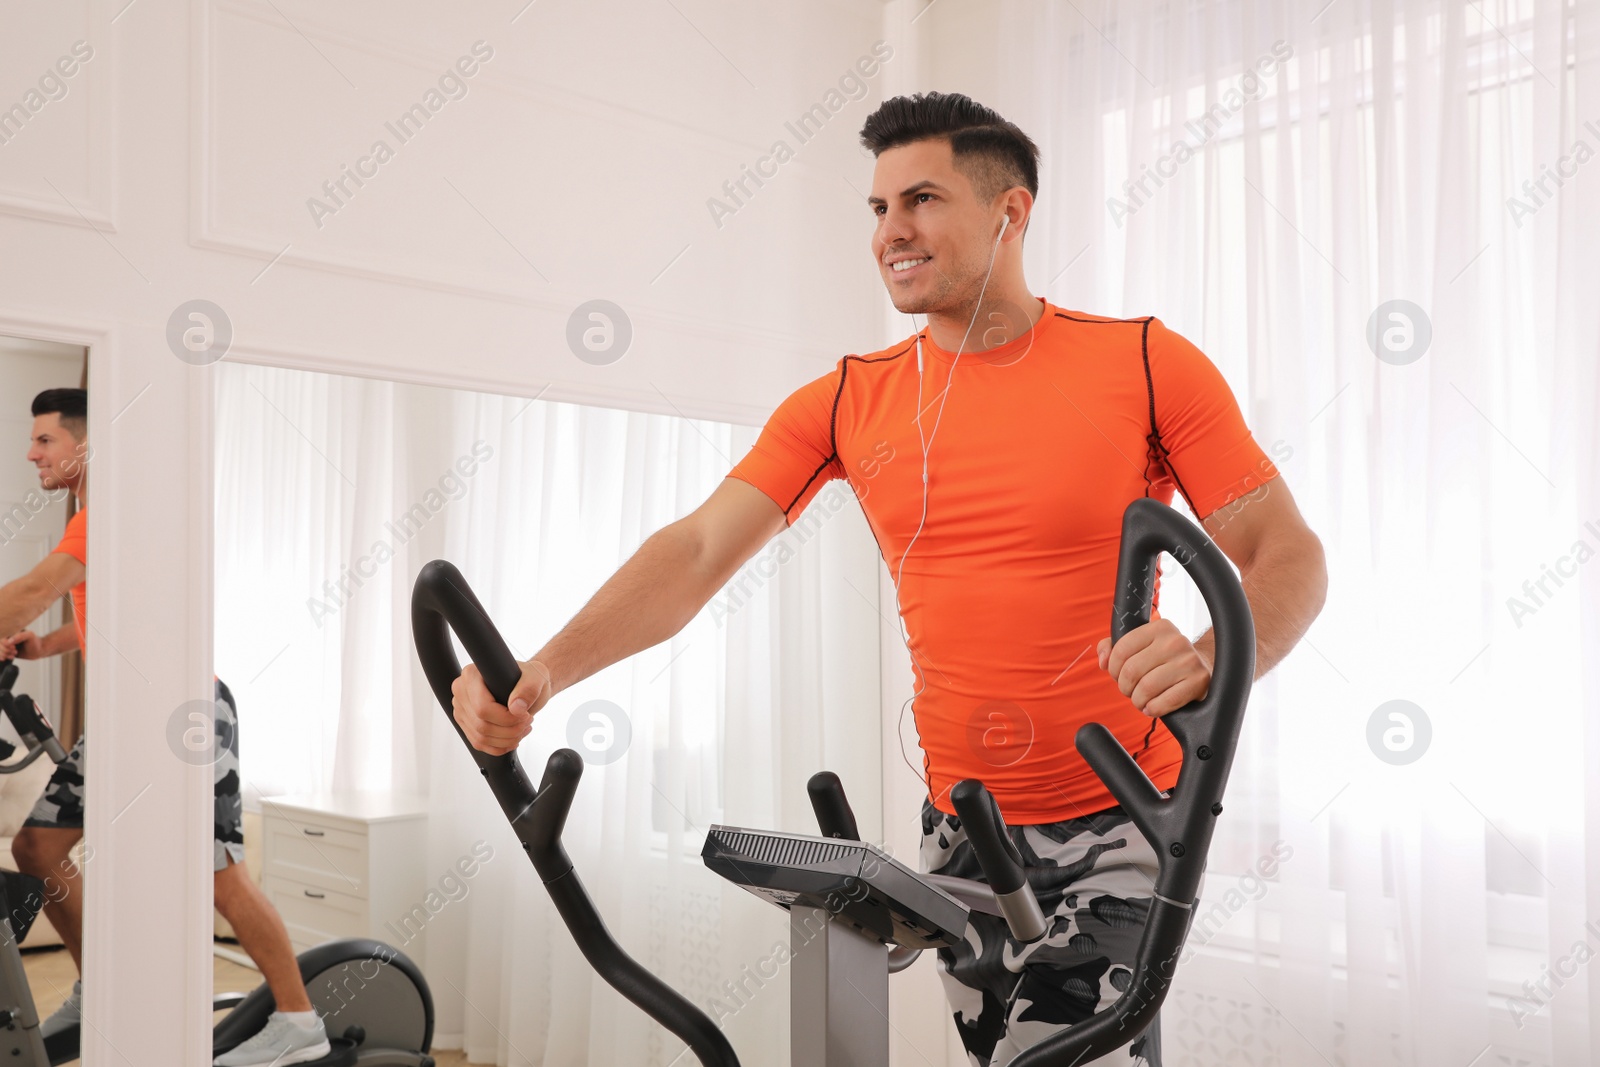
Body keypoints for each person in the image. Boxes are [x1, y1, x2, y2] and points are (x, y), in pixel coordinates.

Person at [451, 92, 1328, 1066]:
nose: (890, 230)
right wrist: (541, 671)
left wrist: (1210, 657)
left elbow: (1286, 552)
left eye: (919, 198)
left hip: (1123, 816)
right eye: (875, 208)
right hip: (960, 830)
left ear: (1011, 211)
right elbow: (697, 550)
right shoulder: (845, 399)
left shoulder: (1145, 364)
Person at [0, 389, 331, 1066]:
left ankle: (300, 1025)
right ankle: (103, 991)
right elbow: (104, 606)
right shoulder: (100, 519)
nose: (32, 452)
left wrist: (22, 619)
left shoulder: (105, 514)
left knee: (219, 877)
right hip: (124, 720)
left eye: (45, 440)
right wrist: (47, 645)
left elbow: (35, 588)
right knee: (37, 847)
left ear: (85, 445)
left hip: (183, 716)